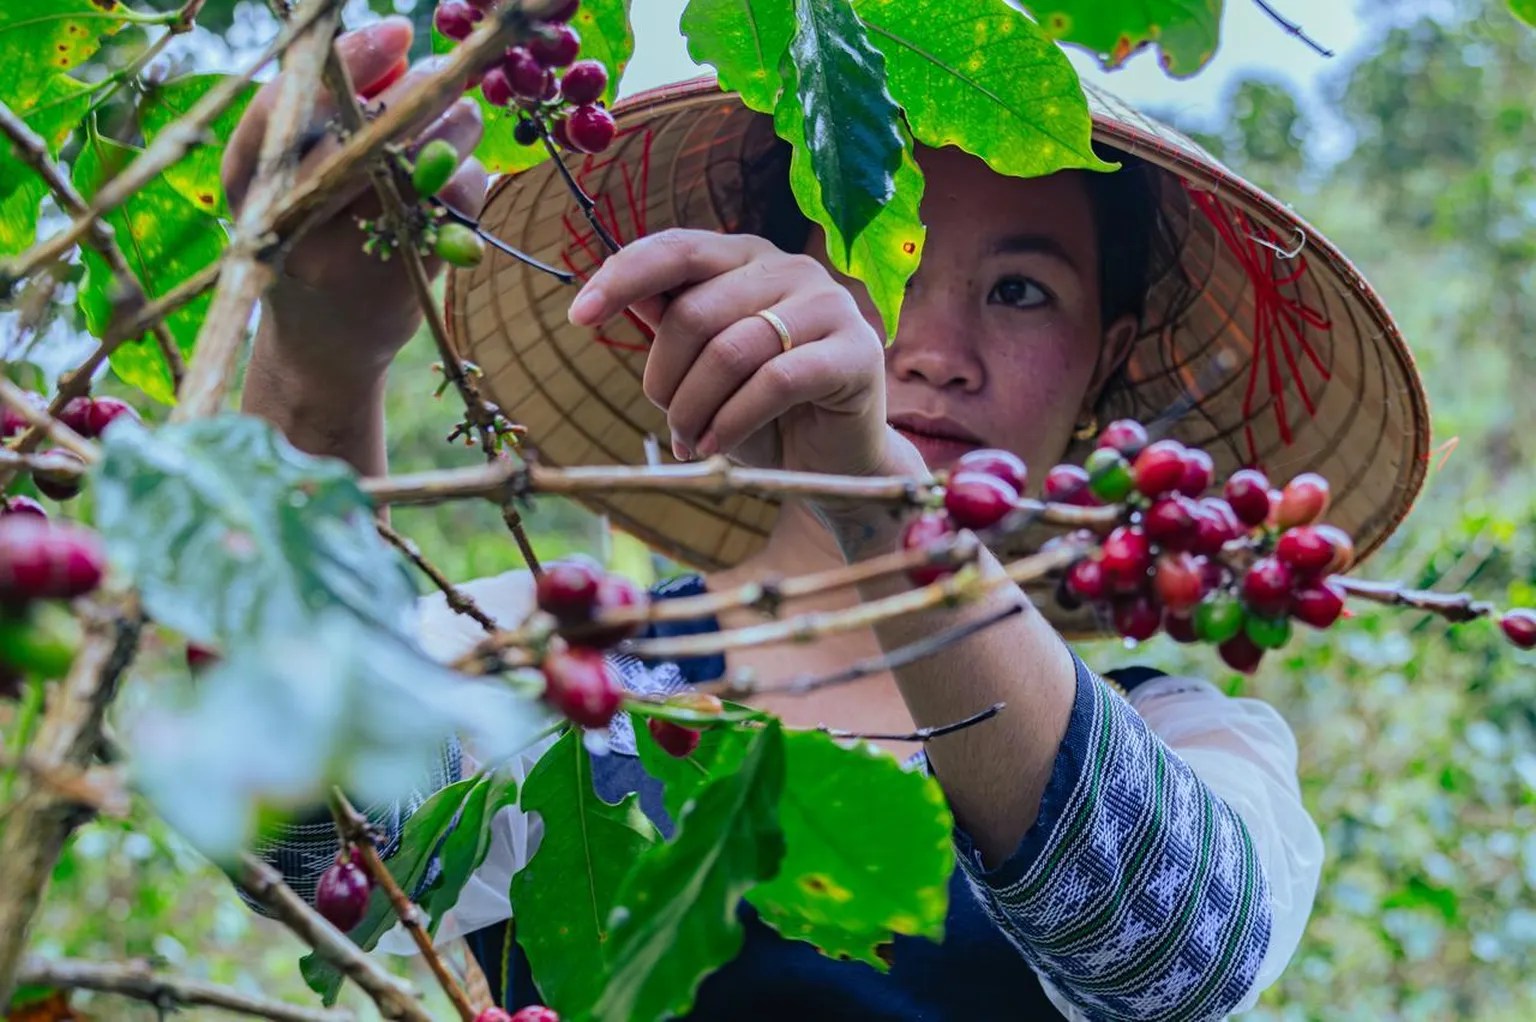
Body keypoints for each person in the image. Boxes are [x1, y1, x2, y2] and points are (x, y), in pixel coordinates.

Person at [226, 16, 1431, 1021]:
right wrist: (317, 359)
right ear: (756, 275)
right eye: (878, 262)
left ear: (1104, 358)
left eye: (1022, 290)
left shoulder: (1186, 740)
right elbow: (305, 833)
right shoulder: (567, 660)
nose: (933, 351)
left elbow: (1180, 951)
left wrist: (879, 487)